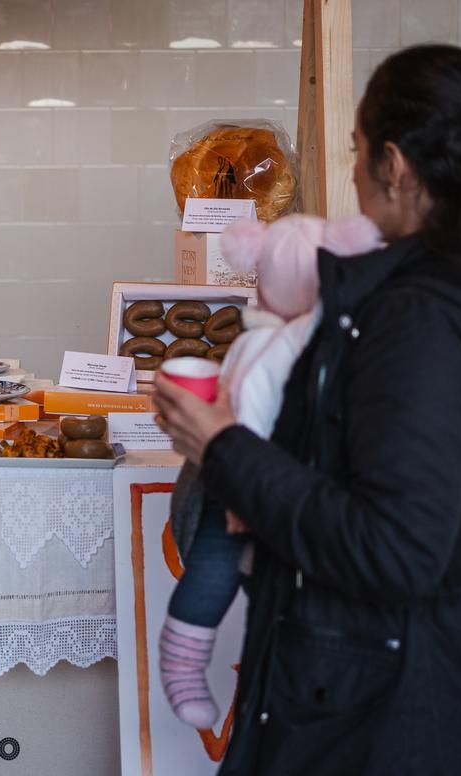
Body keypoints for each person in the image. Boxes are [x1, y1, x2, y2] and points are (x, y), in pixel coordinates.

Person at [152, 44, 461, 776]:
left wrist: (222, 447)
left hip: (406, 719)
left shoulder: (418, 318)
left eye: (356, 152)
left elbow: (396, 547)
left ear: (396, 166)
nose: (352, 172)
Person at [159, 213, 380, 729]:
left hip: (256, 485)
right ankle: (184, 662)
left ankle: (198, 663)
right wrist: (242, 492)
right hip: (247, 486)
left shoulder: (270, 339)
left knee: (234, 581)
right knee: (225, 574)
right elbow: (254, 417)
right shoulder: (290, 345)